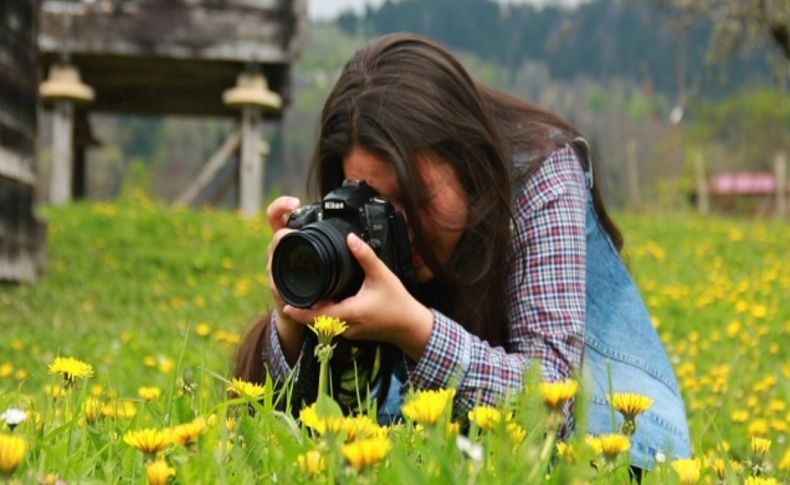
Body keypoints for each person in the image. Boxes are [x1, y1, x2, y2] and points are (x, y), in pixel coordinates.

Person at [234, 33, 690, 470]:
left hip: (618, 443)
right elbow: (272, 431)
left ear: (468, 161)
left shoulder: (543, 175)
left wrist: (416, 331)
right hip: (459, 442)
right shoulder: (368, 226)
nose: (400, 224)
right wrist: (295, 318)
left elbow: (555, 400)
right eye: (375, 203)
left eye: (418, 197)